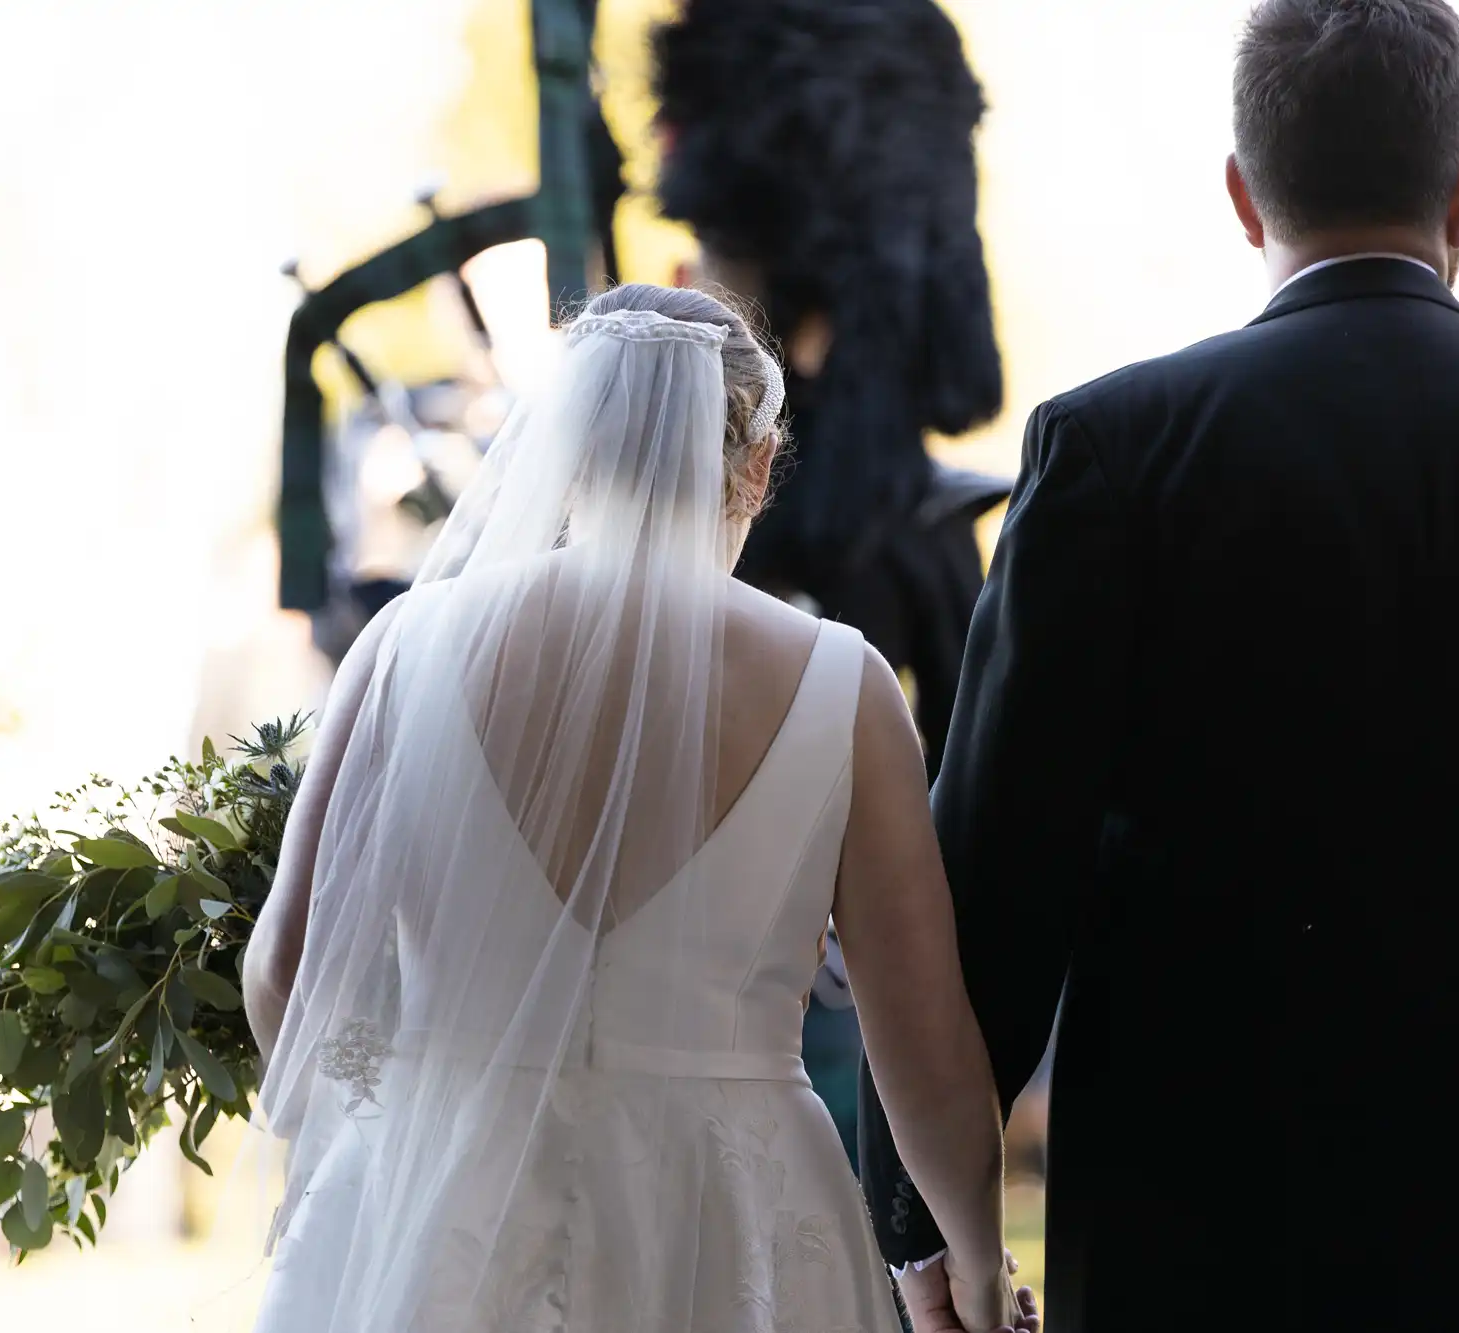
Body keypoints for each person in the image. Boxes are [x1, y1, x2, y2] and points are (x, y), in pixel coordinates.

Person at [244, 285, 1035, 1333]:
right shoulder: (840, 689)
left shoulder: (403, 646)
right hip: (727, 1215)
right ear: (755, 468)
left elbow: (283, 967)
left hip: (442, 1205)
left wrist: (386, 1127)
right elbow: (923, 1041)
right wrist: (974, 1271)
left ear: (563, 457)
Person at [856, 2, 1459, 1328]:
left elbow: (995, 867)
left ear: (1245, 198)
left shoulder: (1117, 448)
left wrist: (924, 1219)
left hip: (1195, 1209)